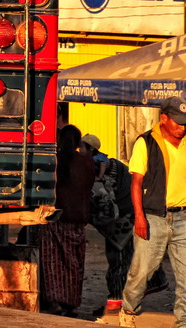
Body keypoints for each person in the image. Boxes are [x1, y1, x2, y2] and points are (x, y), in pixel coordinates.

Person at [80, 133, 167, 317]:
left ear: (90, 149)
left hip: (124, 219)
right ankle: (122, 300)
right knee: (128, 259)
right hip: (131, 214)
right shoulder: (109, 164)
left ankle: (116, 304)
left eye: (82, 147)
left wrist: (88, 217)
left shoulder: (97, 169)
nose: (80, 151)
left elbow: (108, 209)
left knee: (119, 261)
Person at [120, 97, 186, 328]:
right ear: (164, 118)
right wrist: (139, 217)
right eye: (177, 122)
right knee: (141, 273)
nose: (182, 127)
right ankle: (129, 309)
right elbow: (136, 183)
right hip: (153, 217)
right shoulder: (145, 142)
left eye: (185, 122)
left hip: (183, 218)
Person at [40, 123, 96, 317]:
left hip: (56, 217)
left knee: (53, 263)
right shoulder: (87, 162)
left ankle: (55, 302)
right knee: (74, 263)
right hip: (79, 218)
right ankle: (73, 303)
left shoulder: (54, 160)